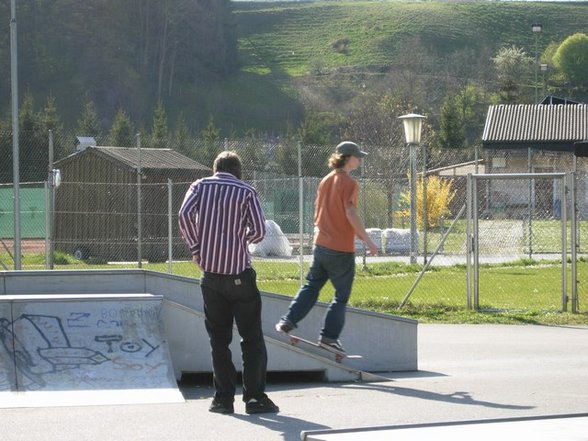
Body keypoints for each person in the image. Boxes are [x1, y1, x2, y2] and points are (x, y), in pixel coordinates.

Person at [178, 151, 279, 415]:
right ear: (238, 171)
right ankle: (254, 398)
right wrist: (240, 239)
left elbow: (184, 215)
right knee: (251, 338)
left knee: (219, 341)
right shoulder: (246, 191)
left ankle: (222, 400)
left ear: (215, 168)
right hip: (239, 276)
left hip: (210, 277)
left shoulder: (200, 186)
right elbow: (259, 231)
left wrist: (197, 248)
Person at [275, 141, 379, 353]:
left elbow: (322, 211)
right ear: (347, 157)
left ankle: (287, 321)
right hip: (340, 249)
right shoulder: (349, 183)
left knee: (312, 286)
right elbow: (350, 213)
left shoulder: (325, 180)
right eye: (358, 156)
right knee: (341, 296)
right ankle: (329, 338)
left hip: (320, 245)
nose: (360, 160)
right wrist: (367, 240)